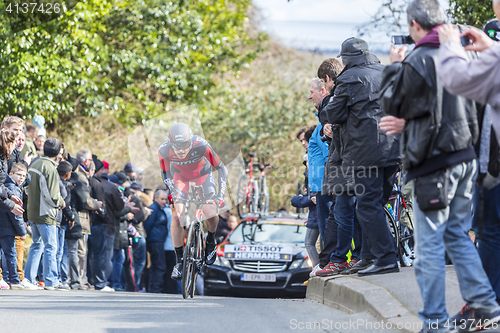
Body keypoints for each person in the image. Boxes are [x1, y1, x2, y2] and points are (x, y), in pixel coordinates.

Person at [380, 0, 500, 331]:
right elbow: (459, 109)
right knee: (457, 236)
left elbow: (391, 101)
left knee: (429, 248)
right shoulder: (460, 54)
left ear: (415, 25)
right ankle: (487, 304)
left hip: (434, 164)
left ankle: (434, 321)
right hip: (465, 159)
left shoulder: (418, 59)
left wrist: (394, 66)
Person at [436, 3, 500, 310]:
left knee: (489, 232)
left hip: (493, 168)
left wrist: (450, 46)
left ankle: (483, 304)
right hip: (486, 162)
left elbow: (455, 79)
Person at [324, 37, 401, 277]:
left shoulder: (348, 78)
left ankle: (387, 258)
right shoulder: (388, 72)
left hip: (365, 153)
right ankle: (368, 256)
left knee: (366, 206)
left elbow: (333, 114)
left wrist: (328, 105)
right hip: (394, 150)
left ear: (346, 58)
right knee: (376, 205)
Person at [158, 123, 228, 280]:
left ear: (190, 142)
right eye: (177, 146)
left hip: (203, 177)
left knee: (210, 211)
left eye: (185, 145)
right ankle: (179, 260)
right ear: (170, 143)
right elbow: (165, 173)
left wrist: (220, 196)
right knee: (177, 216)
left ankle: (210, 240)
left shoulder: (201, 145)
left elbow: (222, 168)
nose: (181, 150)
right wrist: (173, 191)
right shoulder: (164, 150)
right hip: (180, 180)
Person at [24, 138, 66, 290]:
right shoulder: (50, 168)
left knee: (37, 245)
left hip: (33, 212)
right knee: (50, 247)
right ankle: (51, 280)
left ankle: (28, 278)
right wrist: (61, 202)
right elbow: (52, 195)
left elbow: (26, 188)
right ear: (56, 153)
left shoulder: (34, 163)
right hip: (45, 214)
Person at [75, 149, 102, 289]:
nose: (92, 162)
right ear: (86, 161)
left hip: (83, 218)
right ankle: (80, 279)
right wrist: (97, 204)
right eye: (91, 159)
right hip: (81, 218)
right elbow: (85, 200)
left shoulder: (82, 175)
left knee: (82, 251)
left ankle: (82, 278)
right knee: (80, 251)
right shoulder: (81, 177)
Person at [0, 163, 28, 289]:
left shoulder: (5, 186)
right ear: (10, 174)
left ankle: (5, 278)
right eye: (19, 175)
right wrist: (22, 231)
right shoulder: (14, 189)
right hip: (7, 228)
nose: (22, 178)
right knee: (11, 254)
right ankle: (14, 280)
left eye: (24, 176)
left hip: (3, 226)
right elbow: (16, 215)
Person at [144, 190, 170, 293]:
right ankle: (156, 289)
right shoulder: (154, 209)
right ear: (155, 198)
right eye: (162, 199)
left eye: (165, 199)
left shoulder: (159, 209)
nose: (164, 201)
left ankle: (153, 288)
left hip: (158, 241)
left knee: (155, 266)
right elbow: (148, 225)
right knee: (160, 266)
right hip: (155, 241)